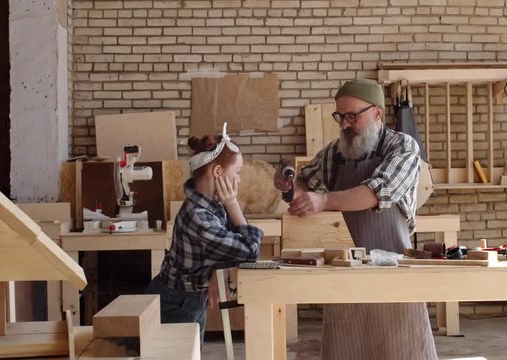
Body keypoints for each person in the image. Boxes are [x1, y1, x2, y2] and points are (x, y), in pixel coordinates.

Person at [274, 79, 437, 359]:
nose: (346, 124)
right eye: (341, 117)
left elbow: (377, 193)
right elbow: (306, 180)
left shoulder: (402, 147)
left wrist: (324, 201)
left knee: (404, 347)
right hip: (345, 272)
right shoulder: (336, 153)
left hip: (393, 269)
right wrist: (291, 186)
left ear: (377, 114)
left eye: (353, 116)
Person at [147, 123, 263, 347]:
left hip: (189, 298)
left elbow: (232, 240)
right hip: (176, 303)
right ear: (218, 172)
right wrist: (233, 203)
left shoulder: (210, 206)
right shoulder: (199, 217)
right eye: (237, 172)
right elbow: (250, 251)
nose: (239, 180)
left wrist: (217, 270)